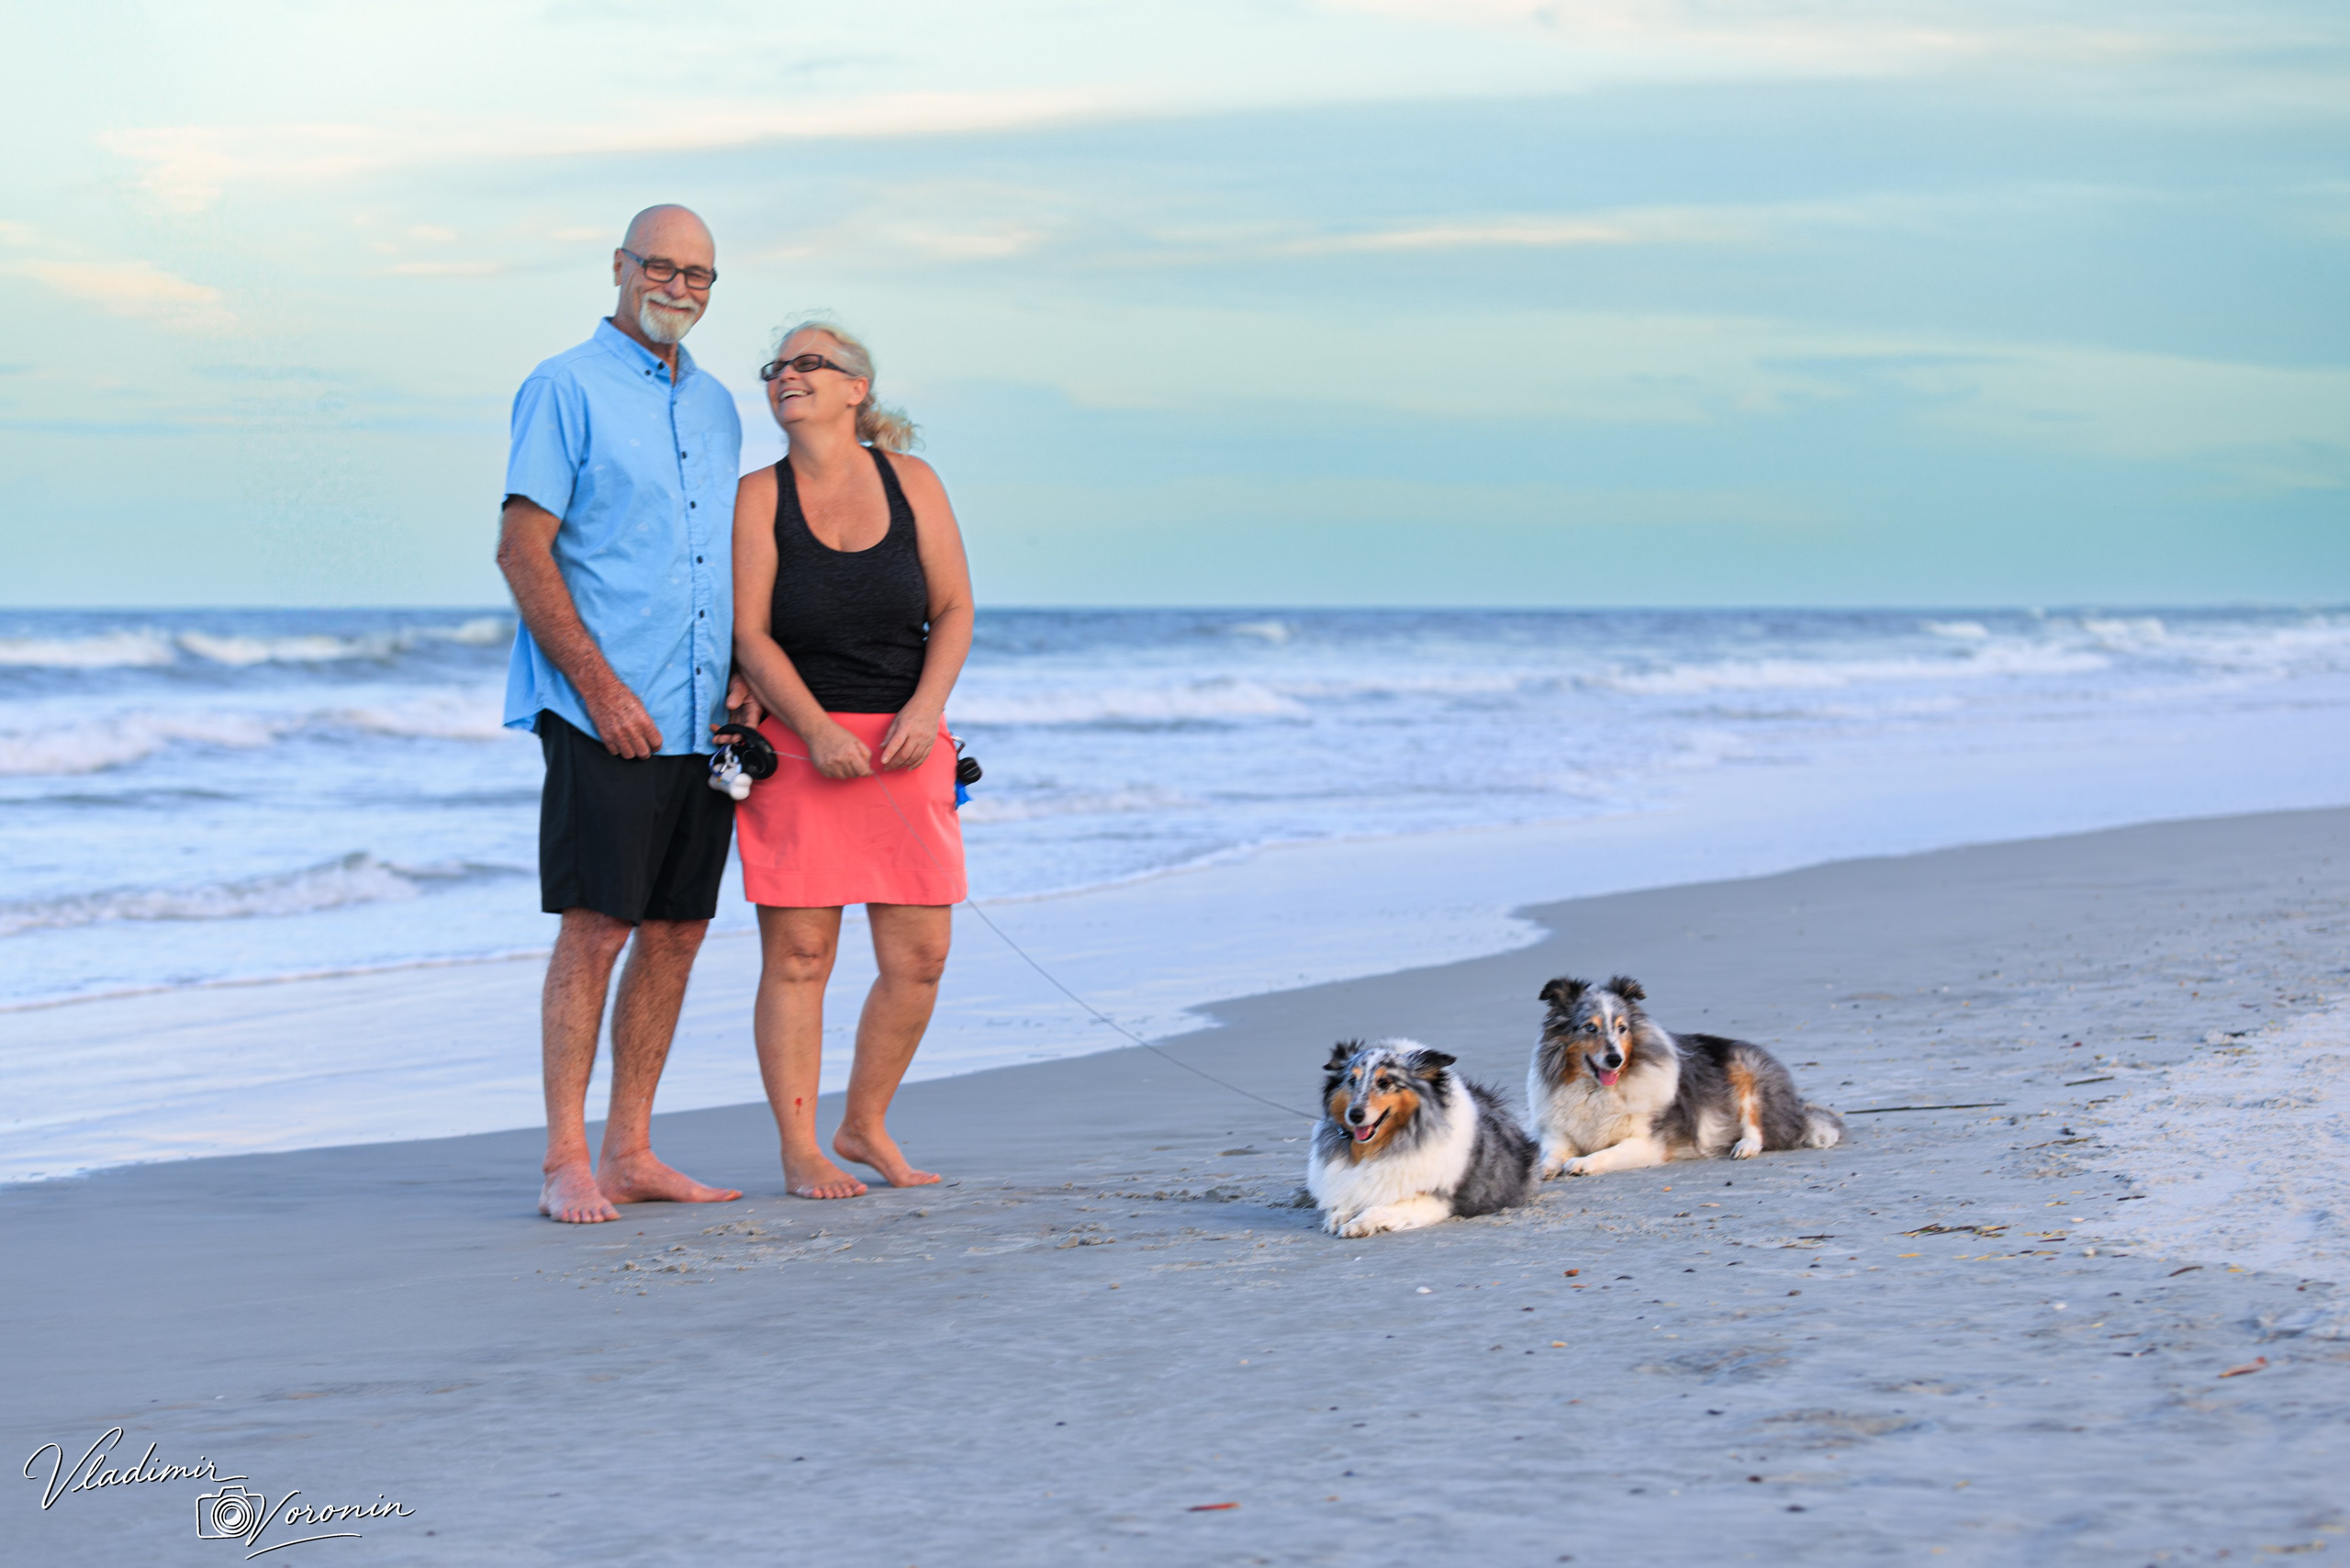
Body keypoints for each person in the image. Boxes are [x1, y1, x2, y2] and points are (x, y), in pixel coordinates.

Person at [497, 204, 755, 1224]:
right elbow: (524, 550)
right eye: (662, 266)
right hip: (605, 709)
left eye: (699, 275)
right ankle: (566, 1158)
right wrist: (602, 691)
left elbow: (719, 557)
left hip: (704, 720)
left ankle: (632, 1146)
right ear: (620, 267)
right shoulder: (562, 387)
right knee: (597, 926)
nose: (679, 287)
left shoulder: (721, 406)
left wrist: (741, 674)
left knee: (681, 929)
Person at [730, 320, 975, 1199]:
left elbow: (953, 610)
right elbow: (750, 634)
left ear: (855, 389)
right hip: (799, 747)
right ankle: (801, 1149)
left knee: (921, 958)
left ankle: (863, 1124)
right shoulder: (759, 495)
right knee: (799, 955)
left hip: (907, 744)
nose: (787, 376)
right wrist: (816, 728)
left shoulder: (913, 483)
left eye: (809, 363)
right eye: (777, 367)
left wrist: (924, 708)